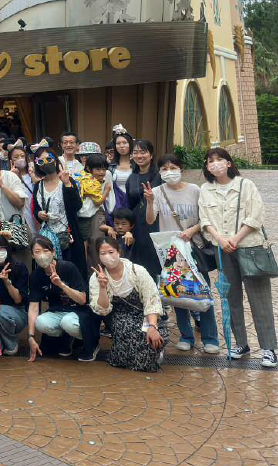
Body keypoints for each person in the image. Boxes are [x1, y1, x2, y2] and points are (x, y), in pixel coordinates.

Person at [198, 148, 278, 367]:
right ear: (206, 167)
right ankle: (241, 343)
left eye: (219, 160)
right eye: (210, 161)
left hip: (249, 248)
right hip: (221, 250)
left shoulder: (246, 185)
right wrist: (221, 240)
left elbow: (256, 215)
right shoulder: (205, 189)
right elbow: (204, 220)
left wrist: (235, 238)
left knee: (259, 299)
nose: (215, 164)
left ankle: (268, 349)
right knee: (230, 298)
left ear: (229, 163)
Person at [147, 153, 220, 354]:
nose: (169, 172)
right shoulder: (157, 191)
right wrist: (150, 201)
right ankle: (186, 336)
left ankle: (210, 338)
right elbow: (150, 219)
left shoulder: (194, 190)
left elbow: (205, 218)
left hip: (193, 249)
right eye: (164, 169)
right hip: (171, 252)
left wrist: (192, 230)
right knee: (176, 294)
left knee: (202, 292)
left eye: (173, 167)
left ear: (181, 169)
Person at [88, 236, 167, 371]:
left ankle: (154, 352)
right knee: (130, 334)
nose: (107, 256)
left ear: (119, 251)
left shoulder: (137, 271)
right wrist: (102, 287)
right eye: (103, 253)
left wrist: (152, 326)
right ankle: (145, 357)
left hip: (145, 313)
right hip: (119, 316)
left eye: (111, 252)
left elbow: (151, 298)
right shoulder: (96, 278)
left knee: (153, 334)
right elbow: (103, 310)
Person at [26, 235, 99, 362]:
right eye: (37, 252)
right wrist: (31, 337)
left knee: (68, 322)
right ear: (32, 255)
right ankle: (66, 338)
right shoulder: (35, 276)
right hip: (57, 311)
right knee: (41, 322)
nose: (42, 255)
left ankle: (92, 343)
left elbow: (82, 299)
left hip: (79, 311)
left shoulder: (68, 267)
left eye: (46, 251)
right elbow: (33, 307)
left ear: (53, 252)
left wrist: (61, 285)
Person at [30, 150, 88, 278]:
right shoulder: (38, 186)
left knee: (72, 273)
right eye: (40, 161)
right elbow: (35, 210)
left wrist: (67, 184)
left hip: (68, 235)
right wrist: (39, 214)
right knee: (51, 273)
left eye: (49, 159)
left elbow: (77, 206)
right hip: (48, 239)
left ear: (56, 160)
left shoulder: (67, 180)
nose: (45, 163)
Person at [120, 139, 163, 279]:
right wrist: (128, 230)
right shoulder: (131, 178)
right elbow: (128, 206)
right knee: (139, 263)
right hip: (138, 226)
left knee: (158, 260)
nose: (139, 156)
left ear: (151, 155)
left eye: (143, 152)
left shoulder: (160, 176)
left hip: (157, 223)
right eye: (135, 152)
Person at [0, 235, 29, 355]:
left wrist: (7, 282)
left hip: (16, 313)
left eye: (1, 248)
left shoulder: (18, 266)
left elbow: (18, 300)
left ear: (7, 248)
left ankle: (11, 344)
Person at [73, 149, 109, 261]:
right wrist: (107, 190)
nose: (102, 172)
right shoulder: (92, 182)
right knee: (93, 241)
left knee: (87, 241)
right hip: (86, 213)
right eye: (98, 169)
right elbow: (98, 201)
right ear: (89, 168)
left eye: (104, 169)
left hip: (84, 213)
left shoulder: (79, 176)